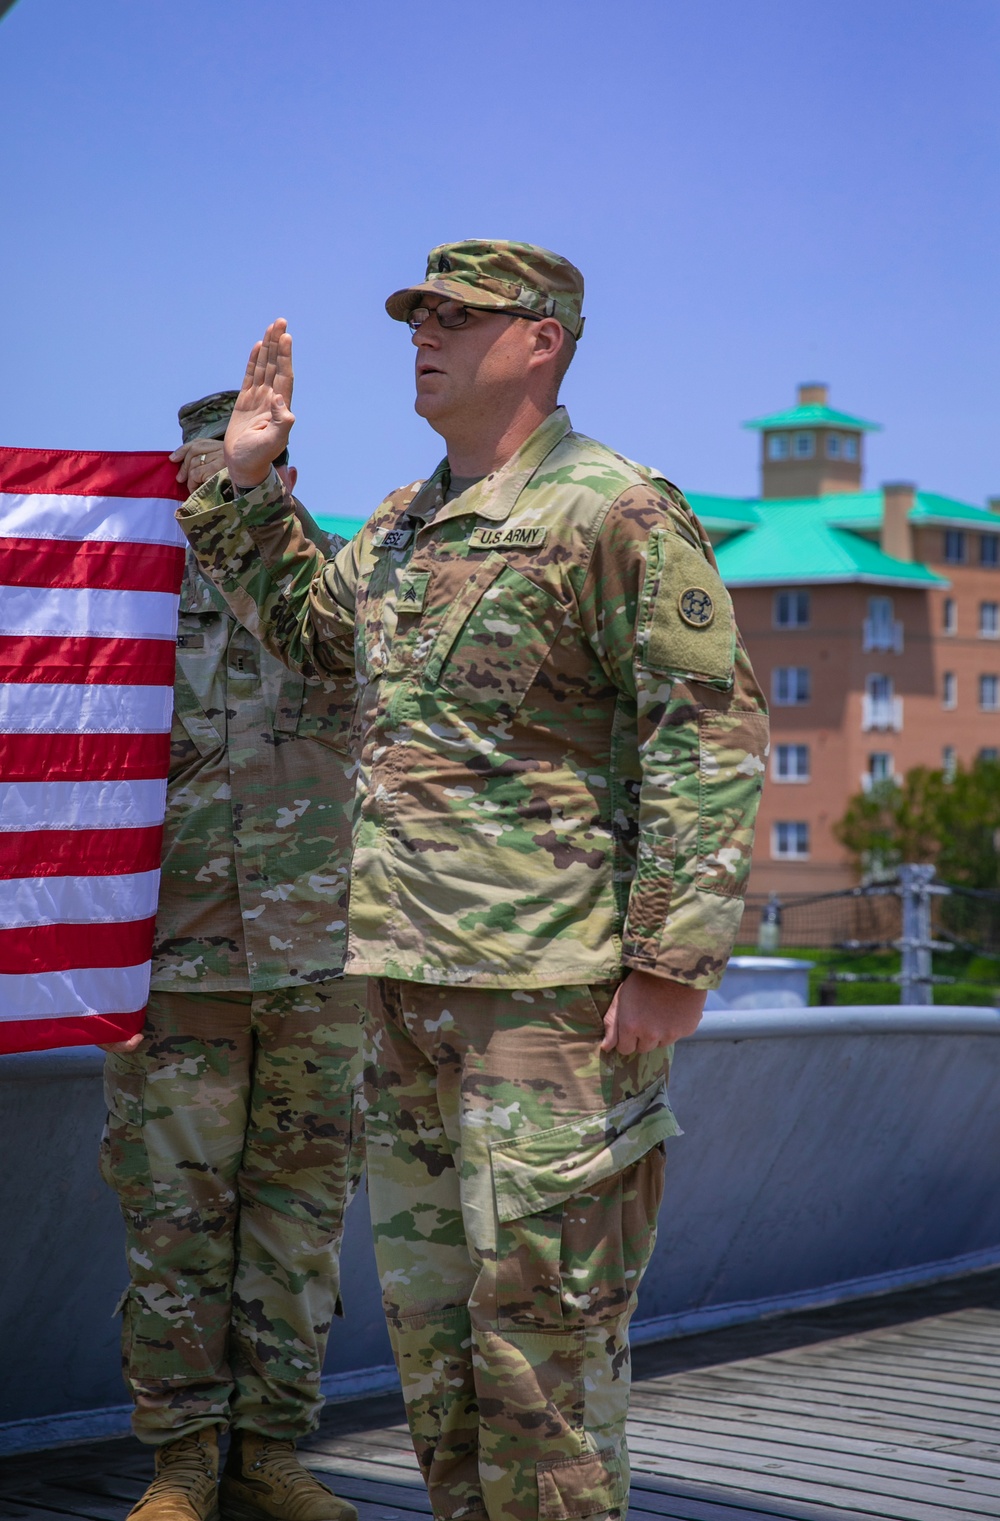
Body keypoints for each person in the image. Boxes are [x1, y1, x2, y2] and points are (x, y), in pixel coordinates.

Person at [179, 242, 769, 1521]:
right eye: (415, 318)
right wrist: (247, 478)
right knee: (437, 1361)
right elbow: (307, 632)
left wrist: (672, 960)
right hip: (402, 994)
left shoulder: (612, 509)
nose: (422, 335)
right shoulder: (402, 523)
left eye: (456, 317)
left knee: (540, 1363)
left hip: (545, 1008)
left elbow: (707, 733)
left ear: (541, 340)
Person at [99, 392, 364, 1521]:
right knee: (175, 1223)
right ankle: (181, 1460)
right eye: (206, 474)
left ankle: (270, 1451)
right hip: (176, 963)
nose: (222, 491)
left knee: (298, 1228)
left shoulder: (343, 593)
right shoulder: (121, 617)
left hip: (321, 966)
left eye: (248, 472)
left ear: (282, 476)